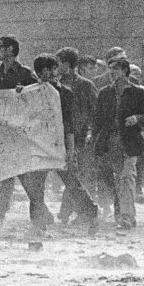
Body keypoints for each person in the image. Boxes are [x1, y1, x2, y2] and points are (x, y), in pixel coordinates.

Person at [0, 35, 53, 231]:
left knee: (25, 178)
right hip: (4, 133)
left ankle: (40, 213)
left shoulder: (25, 74)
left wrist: (24, 92)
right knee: (5, 176)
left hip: (22, 134)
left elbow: (39, 98)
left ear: (10, 50)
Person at [33, 53, 99, 232]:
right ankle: (38, 222)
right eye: (42, 71)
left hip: (60, 144)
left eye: (51, 70)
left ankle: (90, 212)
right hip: (39, 144)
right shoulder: (32, 93)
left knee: (71, 181)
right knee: (36, 184)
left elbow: (68, 125)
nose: (48, 74)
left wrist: (70, 150)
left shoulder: (65, 93)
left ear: (56, 70)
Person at [93, 56, 144, 229]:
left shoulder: (138, 91)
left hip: (129, 141)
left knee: (126, 178)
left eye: (116, 69)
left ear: (125, 71)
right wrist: (94, 138)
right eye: (110, 69)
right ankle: (123, 215)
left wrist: (136, 118)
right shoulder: (104, 92)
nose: (112, 72)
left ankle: (126, 216)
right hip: (109, 141)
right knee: (114, 180)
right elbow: (97, 120)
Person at [55, 46, 98, 224]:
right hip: (61, 137)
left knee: (78, 175)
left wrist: (90, 133)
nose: (56, 67)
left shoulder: (86, 85)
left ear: (67, 64)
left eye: (58, 63)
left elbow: (95, 113)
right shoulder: (55, 85)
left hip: (81, 138)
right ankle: (74, 211)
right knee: (71, 175)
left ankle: (73, 212)